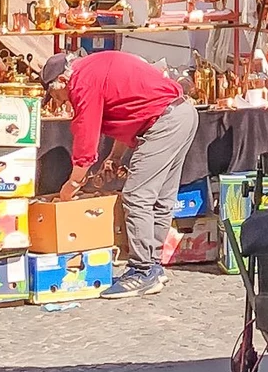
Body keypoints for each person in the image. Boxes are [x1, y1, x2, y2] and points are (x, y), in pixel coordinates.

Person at [44, 45, 199, 296]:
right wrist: (114, 158)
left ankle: (142, 270)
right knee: (160, 197)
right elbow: (132, 110)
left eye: (55, 95)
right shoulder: (92, 68)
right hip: (180, 113)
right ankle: (153, 265)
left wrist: (73, 184)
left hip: (165, 120)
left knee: (137, 197)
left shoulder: (82, 82)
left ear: (61, 80)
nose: (59, 103)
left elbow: (86, 137)